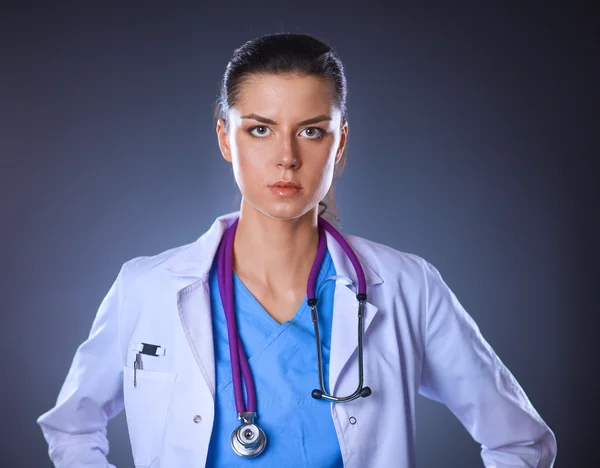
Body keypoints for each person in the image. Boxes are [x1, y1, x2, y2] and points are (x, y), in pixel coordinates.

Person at [36, 32, 557, 468]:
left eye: (311, 131)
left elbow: (520, 441)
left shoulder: (407, 287)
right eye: (260, 130)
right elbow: (72, 427)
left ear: (341, 142)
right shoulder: (146, 288)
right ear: (225, 137)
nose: (286, 158)